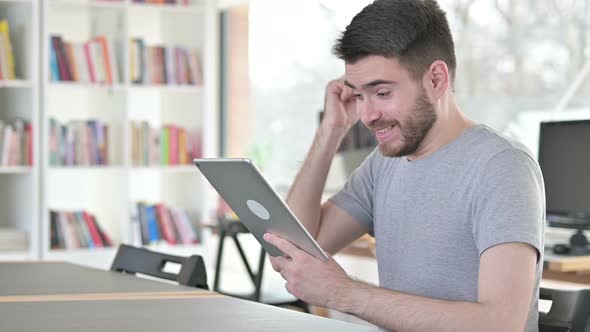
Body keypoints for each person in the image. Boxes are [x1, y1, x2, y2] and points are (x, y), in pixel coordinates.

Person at [262, 0, 545, 331]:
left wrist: (345, 293)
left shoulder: (502, 168)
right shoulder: (384, 163)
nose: (367, 115)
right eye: (358, 96)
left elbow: (500, 324)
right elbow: (293, 249)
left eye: (381, 92)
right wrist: (331, 131)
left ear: (436, 79)